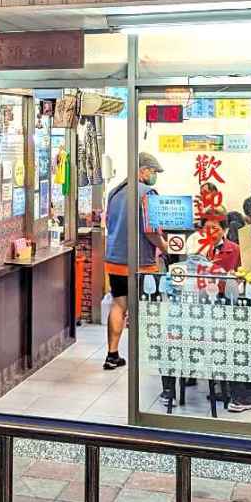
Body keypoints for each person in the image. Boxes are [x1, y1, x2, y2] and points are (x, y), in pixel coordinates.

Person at [103, 152, 169, 371]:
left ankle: (112, 355)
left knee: (119, 304)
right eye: (153, 172)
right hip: (141, 261)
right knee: (149, 306)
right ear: (143, 170)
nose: (155, 176)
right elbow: (151, 231)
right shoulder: (148, 194)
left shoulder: (114, 192)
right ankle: (150, 356)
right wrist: (166, 248)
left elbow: (109, 224)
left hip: (114, 259)